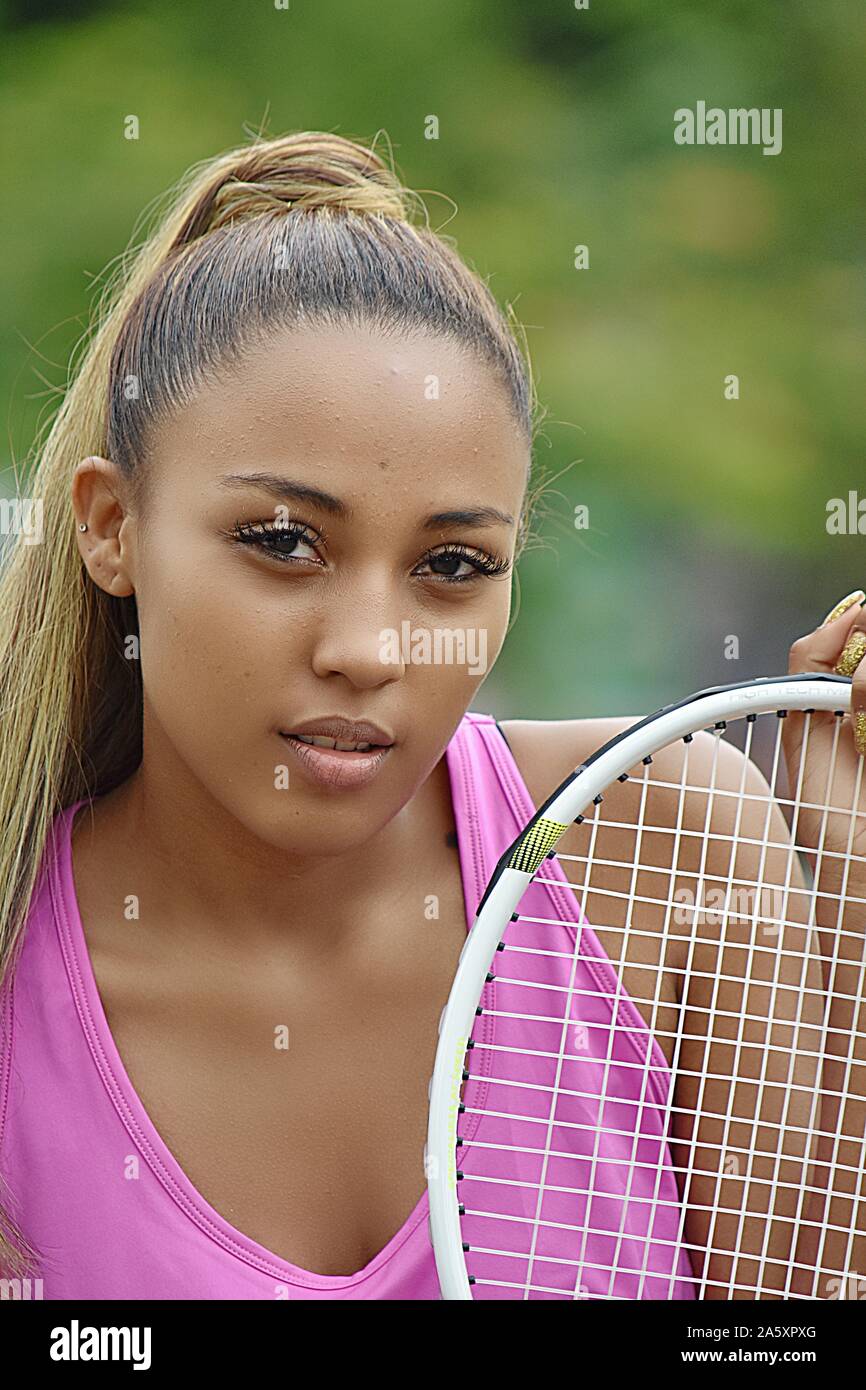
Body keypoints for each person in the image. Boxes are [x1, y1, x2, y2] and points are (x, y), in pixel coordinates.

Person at [0, 131, 863, 1300]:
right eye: (283, 542)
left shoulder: (664, 841)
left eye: (452, 563)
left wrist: (850, 882)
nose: (369, 651)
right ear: (111, 529)